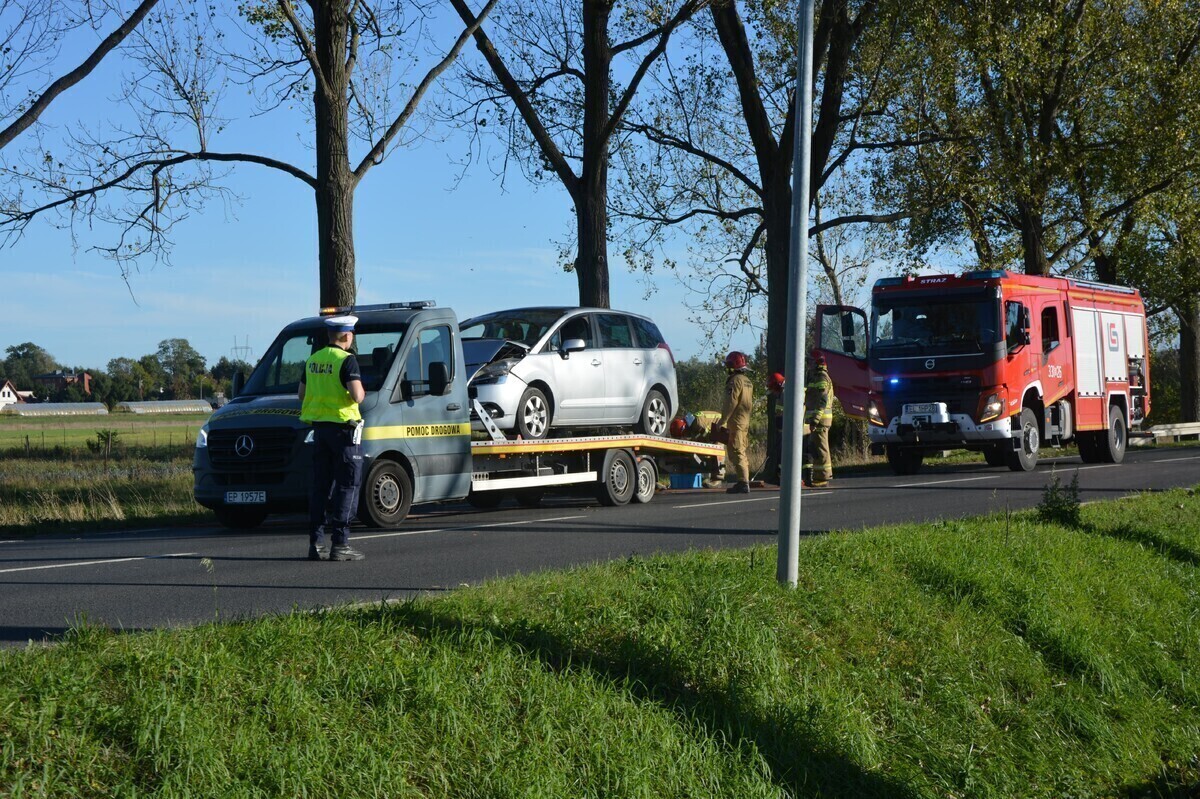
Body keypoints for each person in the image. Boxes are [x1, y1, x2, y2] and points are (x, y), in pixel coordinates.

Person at [299, 314, 367, 561]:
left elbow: (301, 394)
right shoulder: (347, 361)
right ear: (347, 336)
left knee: (321, 487)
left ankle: (316, 544)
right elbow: (357, 396)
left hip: (320, 431)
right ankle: (340, 543)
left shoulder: (313, 360)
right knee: (348, 485)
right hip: (344, 431)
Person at [715, 350, 753, 494]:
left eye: (729, 365)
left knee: (737, 451)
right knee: (740, 450)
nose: (727, 368)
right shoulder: (747, 381)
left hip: (736, 422)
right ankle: (743, 480)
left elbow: (731, 402)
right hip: (744, 421)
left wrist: (722, 421)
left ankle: (743, 483)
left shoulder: (734, 381)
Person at [803, 350, 835, 488]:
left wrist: (815, 420)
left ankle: (823, 477)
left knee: (821, 449)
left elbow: (822, 401)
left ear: (817, 363)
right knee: (815, 448)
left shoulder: (822, 378)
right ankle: (818, 476)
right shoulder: (814, 377)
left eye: (810, 361)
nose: (808, 364)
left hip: (820, 420)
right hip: (816, 420)